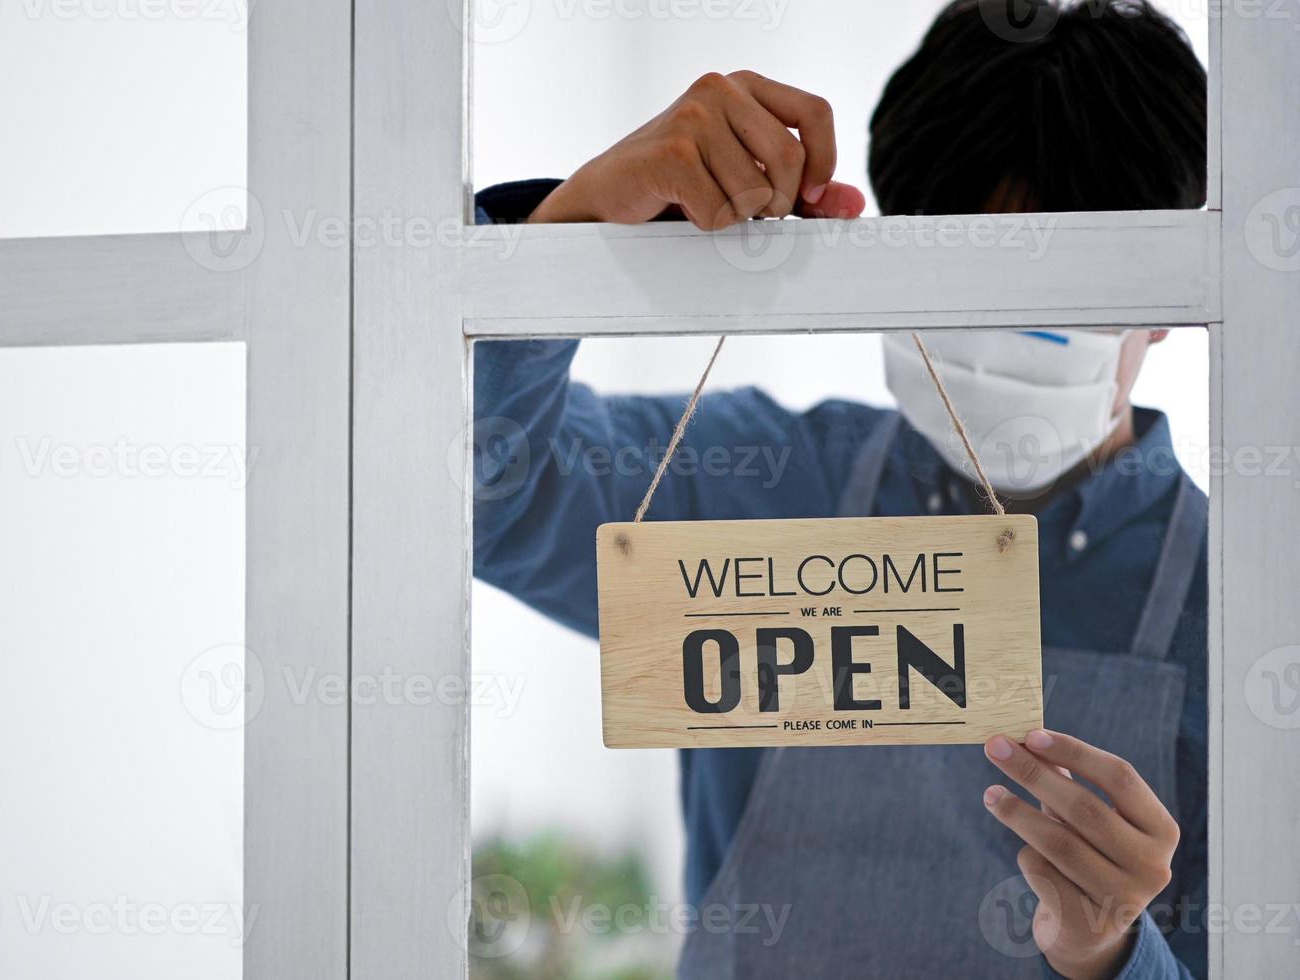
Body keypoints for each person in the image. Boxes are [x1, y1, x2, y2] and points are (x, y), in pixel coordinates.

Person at [471, 1, 1208, 977]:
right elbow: (473, 493)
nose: (999, 329)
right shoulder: (760, 483)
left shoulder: (1248, 604)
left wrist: (1115, 951)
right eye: (956, 271)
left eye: (1062, 282)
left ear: (1172, 294)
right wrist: (562, 238)